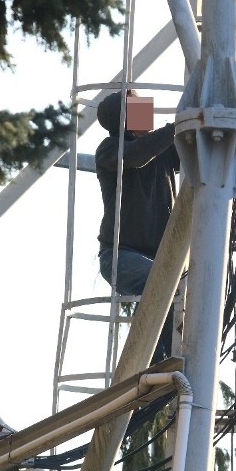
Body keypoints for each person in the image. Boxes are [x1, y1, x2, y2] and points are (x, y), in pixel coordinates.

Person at [95, 89, 181, 362]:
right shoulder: (110, 150)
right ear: (124, 119)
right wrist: (177, 127)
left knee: (179, 289)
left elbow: (196, 155)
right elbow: (135, 156)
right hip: (120, 256)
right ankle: (153, 361)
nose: (148, 112)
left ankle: (174, 356)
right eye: (139, 107)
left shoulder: (164, 148)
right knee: (160, 280)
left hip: (162, 258)